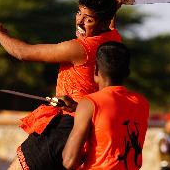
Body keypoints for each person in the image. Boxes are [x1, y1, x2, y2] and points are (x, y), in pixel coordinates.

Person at [0, 0, 125, 170]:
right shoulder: (113, 39)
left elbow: (23, 53)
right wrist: (114, 9)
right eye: (79, 13)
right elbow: (110, 26)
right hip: (88, 130)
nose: (80, 22)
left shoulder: (80, 49)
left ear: (103, 22)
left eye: (88, 19)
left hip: (65, 127)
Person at [62, 41, 150, 170]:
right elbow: (114, 115)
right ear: (127, 73)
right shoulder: (142, 103)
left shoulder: (89, 103)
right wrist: (78, 108)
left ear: (96, 70)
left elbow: (69, 161)